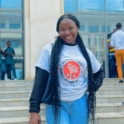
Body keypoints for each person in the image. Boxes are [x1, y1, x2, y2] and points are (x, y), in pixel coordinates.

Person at [29, 14, 104, 124]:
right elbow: (40, 80)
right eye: (62, 29)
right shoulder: (49, 50)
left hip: (80, 103)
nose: (67, 32)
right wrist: (34, 110)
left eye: (70, 28)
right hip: (56, 103)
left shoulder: (85, 52)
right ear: (58, 31)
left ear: (77, 27)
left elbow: (100, 72)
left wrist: (93, 85)